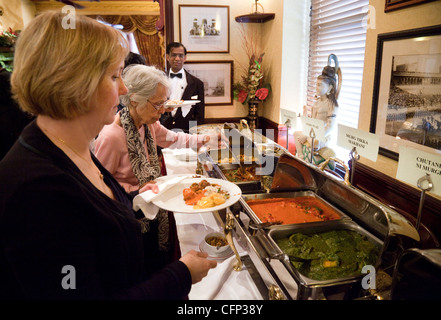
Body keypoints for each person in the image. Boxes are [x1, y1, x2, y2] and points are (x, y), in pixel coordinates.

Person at [0, 11, 216, 300]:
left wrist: (135, 200)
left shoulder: (68, 147)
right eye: (115, 76)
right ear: (76, 85)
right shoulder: (36, 189)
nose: (125, 89)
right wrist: (181, 274)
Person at [294, 54, 341, 165]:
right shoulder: (317, 103)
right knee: (296, 134)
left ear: (330, 87)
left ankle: (309, 161)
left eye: (320, 85)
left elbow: (330, 126)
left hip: (322, 136)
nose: (316, 88)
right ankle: (300, 156)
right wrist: (305, 119)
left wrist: (312, 135)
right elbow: (312, 122)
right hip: (312, 132)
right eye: (316, 84)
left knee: (312, 140)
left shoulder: (331, 104)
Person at [160, 42, 205, 133]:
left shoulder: (197, 83)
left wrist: (193, 135)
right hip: (162, 130)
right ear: (167, 57)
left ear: (185, 58)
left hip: (186, 132)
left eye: (180, 55)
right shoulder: (158, 81)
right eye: (174, 55)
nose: (177, 59)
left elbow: (199, 115)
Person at [0, 66, 33, 160]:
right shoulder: (9, 75)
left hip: (7, 119)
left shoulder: (2, 78)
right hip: (15, 117)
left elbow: (3, 99)